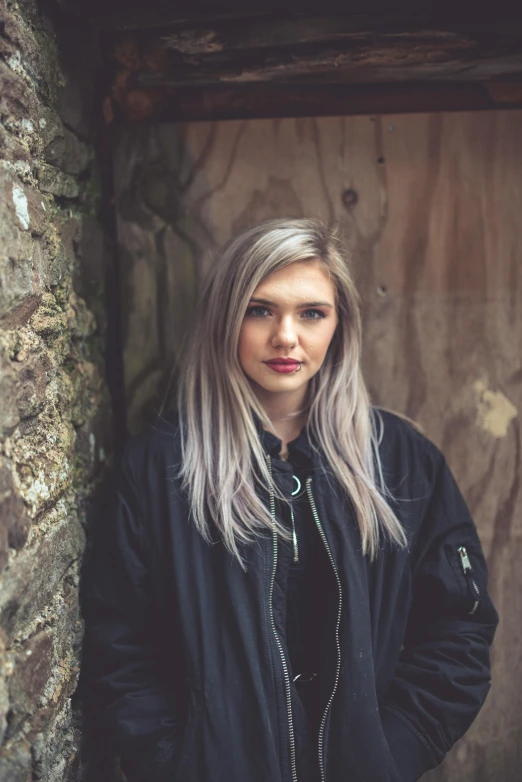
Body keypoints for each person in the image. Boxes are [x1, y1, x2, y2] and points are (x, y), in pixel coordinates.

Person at [81, 218, 499, 782]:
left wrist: (391, 753)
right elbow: (118, 645)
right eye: (259, 310)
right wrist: (175, 763)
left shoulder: (402, 462)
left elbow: (460, 628)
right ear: (225, 320)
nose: (286, 336)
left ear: (339, 325)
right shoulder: (161, 468)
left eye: (311, 313)